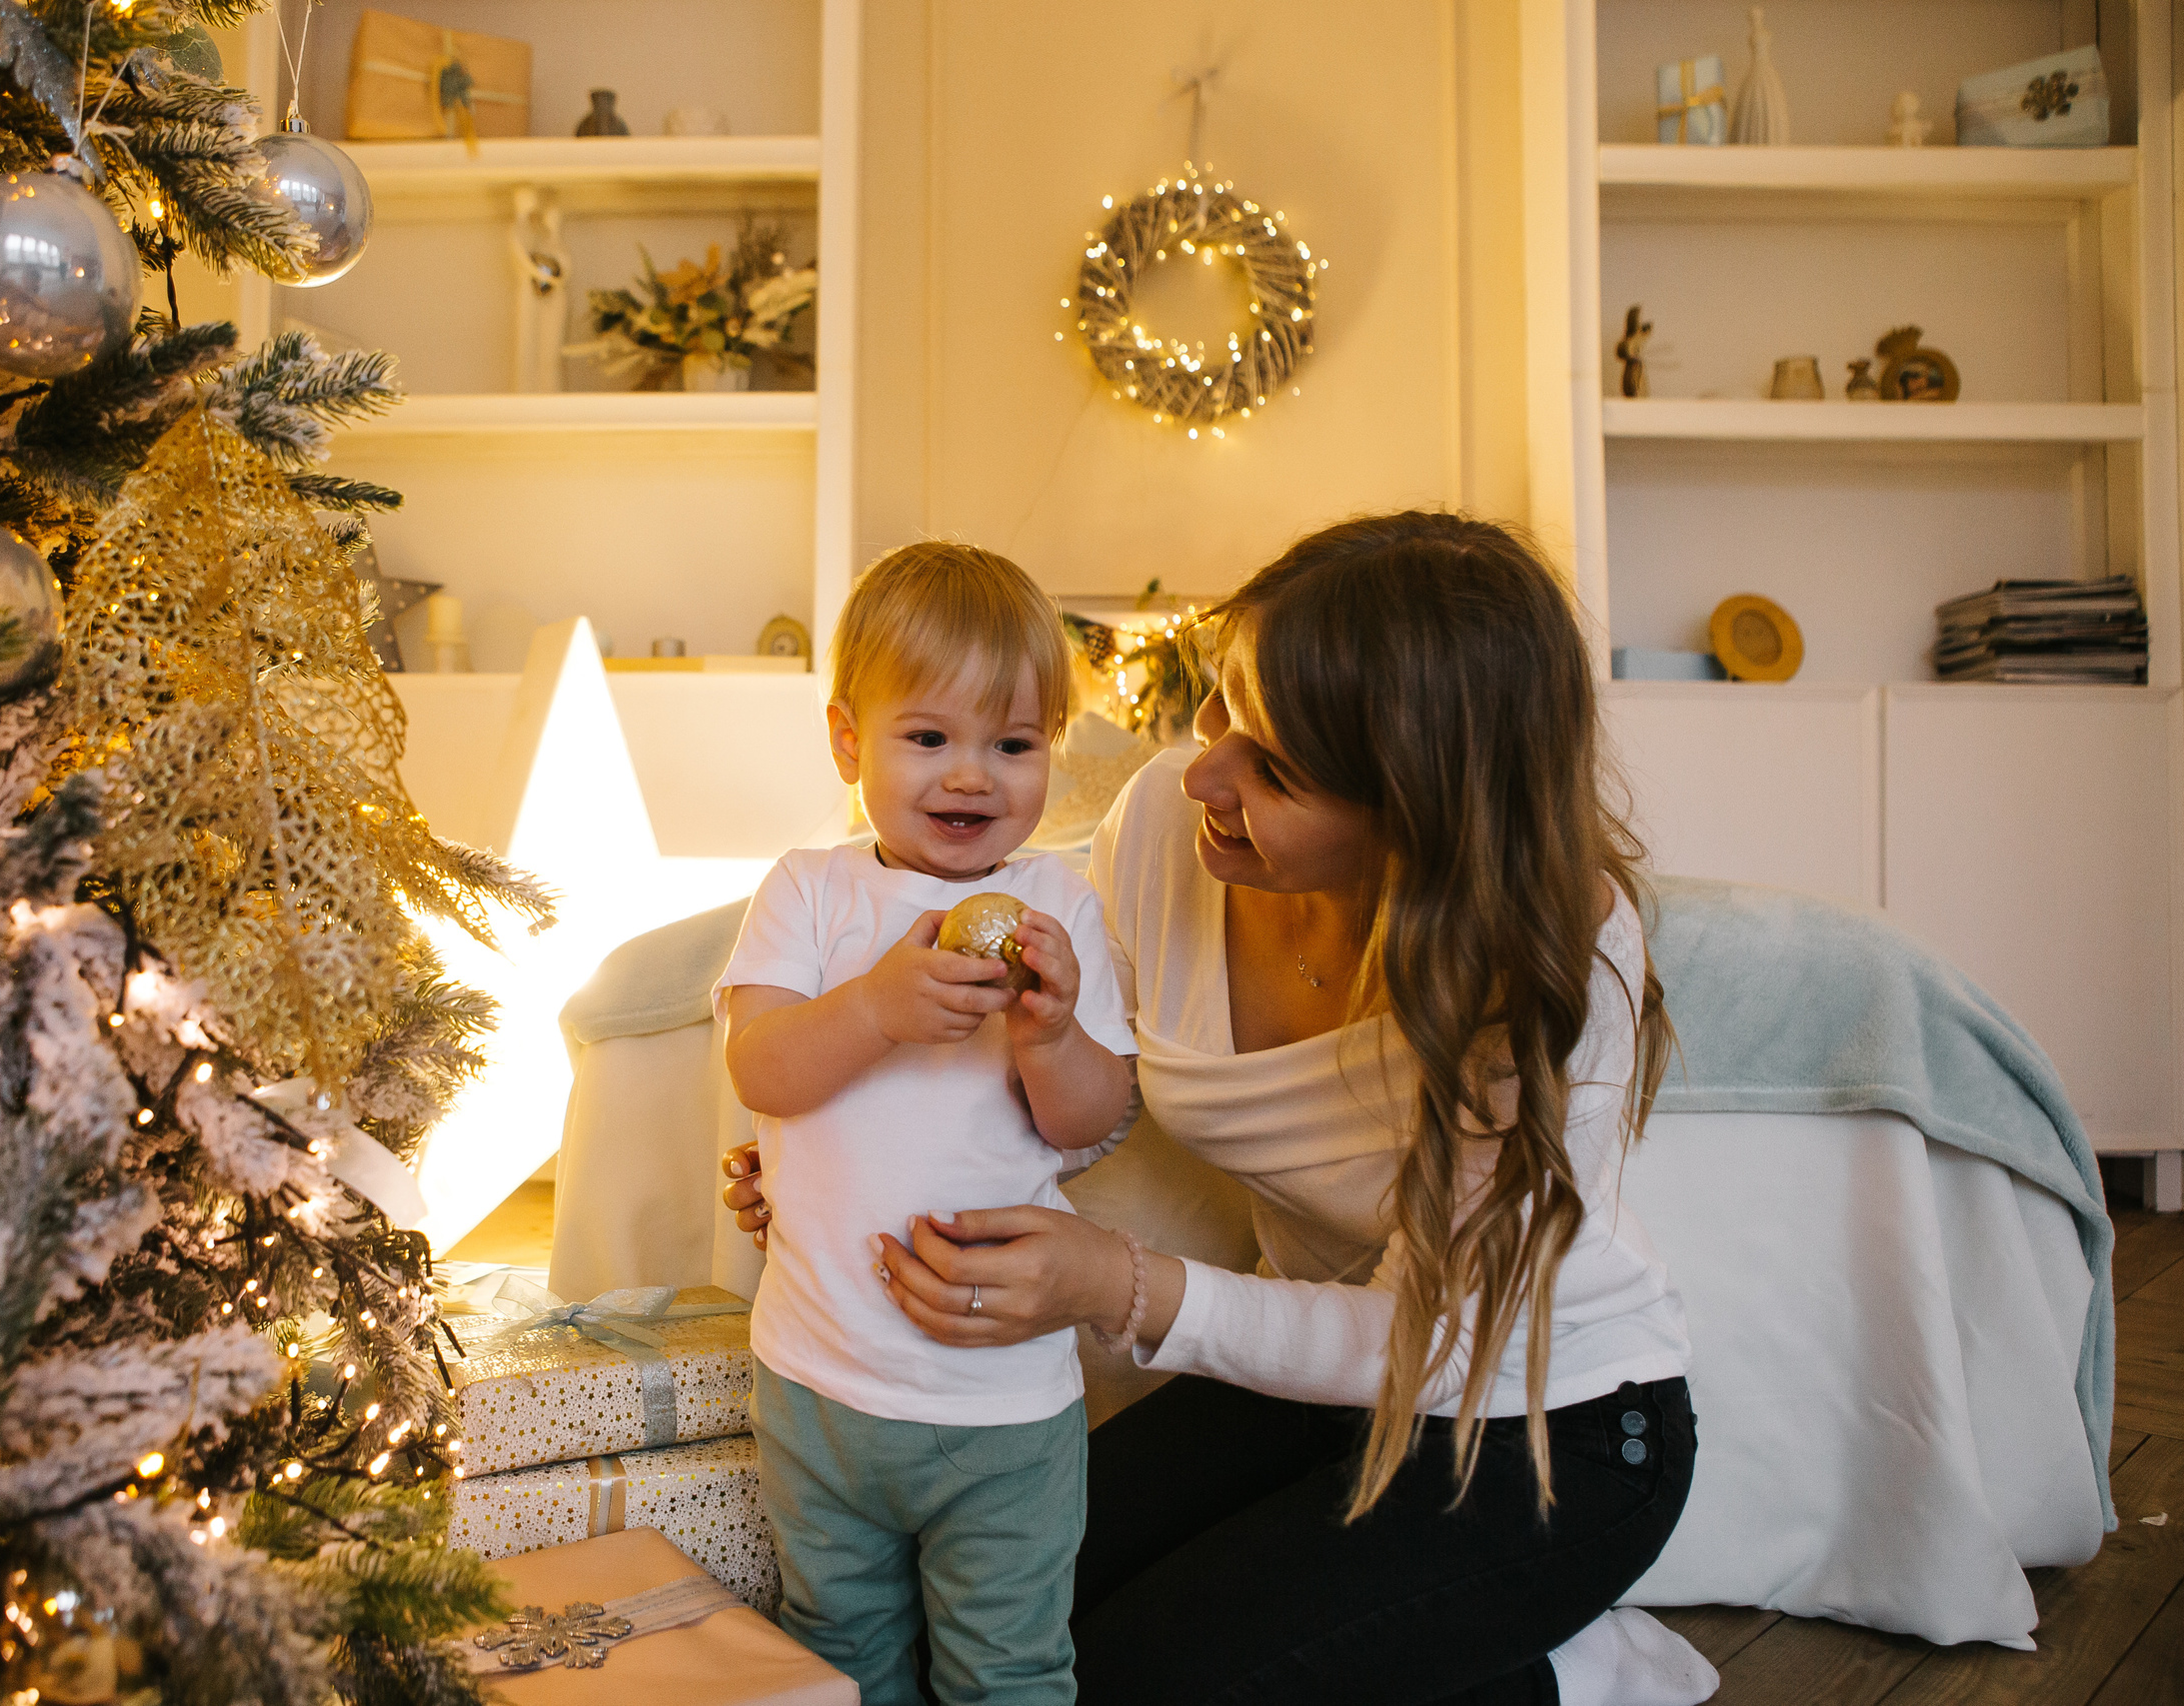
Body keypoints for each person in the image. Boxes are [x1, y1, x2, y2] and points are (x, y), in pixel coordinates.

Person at [726, 513, 1720, 1706]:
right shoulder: (1167, 826)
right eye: (1217, 708)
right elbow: (1071, 1085)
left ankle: (1553, 1668)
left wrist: (1115, 1284)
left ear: (1414, 817)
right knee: (1003, 1620)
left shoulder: (1553, 962)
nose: (1201, 774)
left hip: (1529, 1422)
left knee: (1126, 1689)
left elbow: (1430, 1339)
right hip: (1300, 1384)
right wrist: (844, 1154)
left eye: (1276, 768)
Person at [715, 541, 1139, 1706]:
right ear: (849, 740)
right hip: (818, 1379)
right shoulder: (808, 890)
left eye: (1013, 745)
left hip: (1002, 1404)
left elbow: (1094, 1122)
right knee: (835, 1648)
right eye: (928, 739)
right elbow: (764, 1067)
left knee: (1008, 1667)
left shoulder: (1058, 906)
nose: (971, 777)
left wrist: (1050, 1039)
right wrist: (875, 1008)